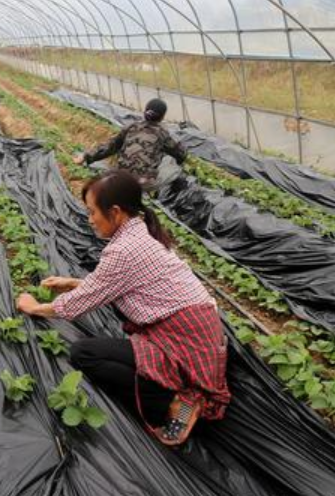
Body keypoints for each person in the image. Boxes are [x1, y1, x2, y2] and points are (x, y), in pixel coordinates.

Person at [15, 170, 230, 446]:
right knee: (112, 347)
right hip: (197, 332)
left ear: (115, 212)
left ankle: (176, 402)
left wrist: (35, 308)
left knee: (84, 354)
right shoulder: (139, 233)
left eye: (92, 212)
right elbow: (121, 284)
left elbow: (79, 304)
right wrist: (73, 282)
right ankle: (172, 387)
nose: (90, 220)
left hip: (186, 343)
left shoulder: (124, 250)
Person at [73, 98, 186, 191]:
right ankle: (175, 186)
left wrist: (86, 156)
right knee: (170, 162)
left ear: (145, 111)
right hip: (143, 182)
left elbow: (110, 147)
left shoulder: (131, 127)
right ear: (162, 117)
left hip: (120, 177)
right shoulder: (163, 134)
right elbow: (181, 154)